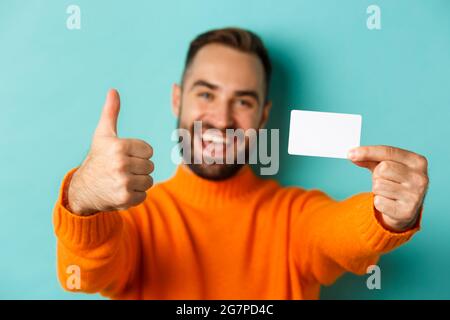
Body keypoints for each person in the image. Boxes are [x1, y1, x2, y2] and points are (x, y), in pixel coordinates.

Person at [53, 27, 428, 299]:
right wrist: (83, 200)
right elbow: (80, 279)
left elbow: (339, 234)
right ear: (176, 100)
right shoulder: (134, 220)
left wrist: (386, 214)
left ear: (263, 117)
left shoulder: (294, 218)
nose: (221, 118)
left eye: (243, 101)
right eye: (206, 94)